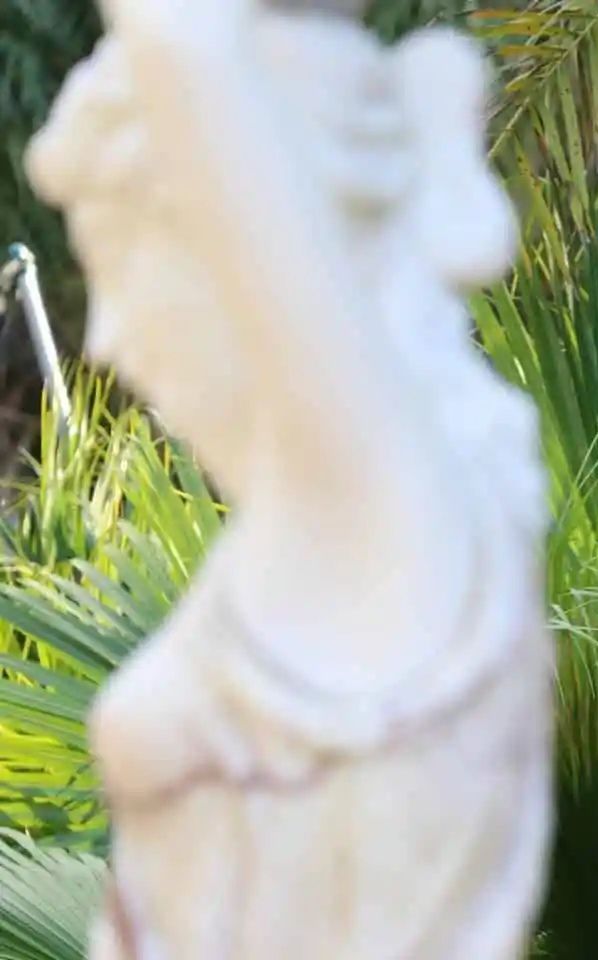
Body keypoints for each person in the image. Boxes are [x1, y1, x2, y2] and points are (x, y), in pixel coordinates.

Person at [26, 2, 553, 956]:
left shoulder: (398, 517)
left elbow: (185, 49)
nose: (104, 334)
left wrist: (184, 53)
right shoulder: (354, 531)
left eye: (120, 265)